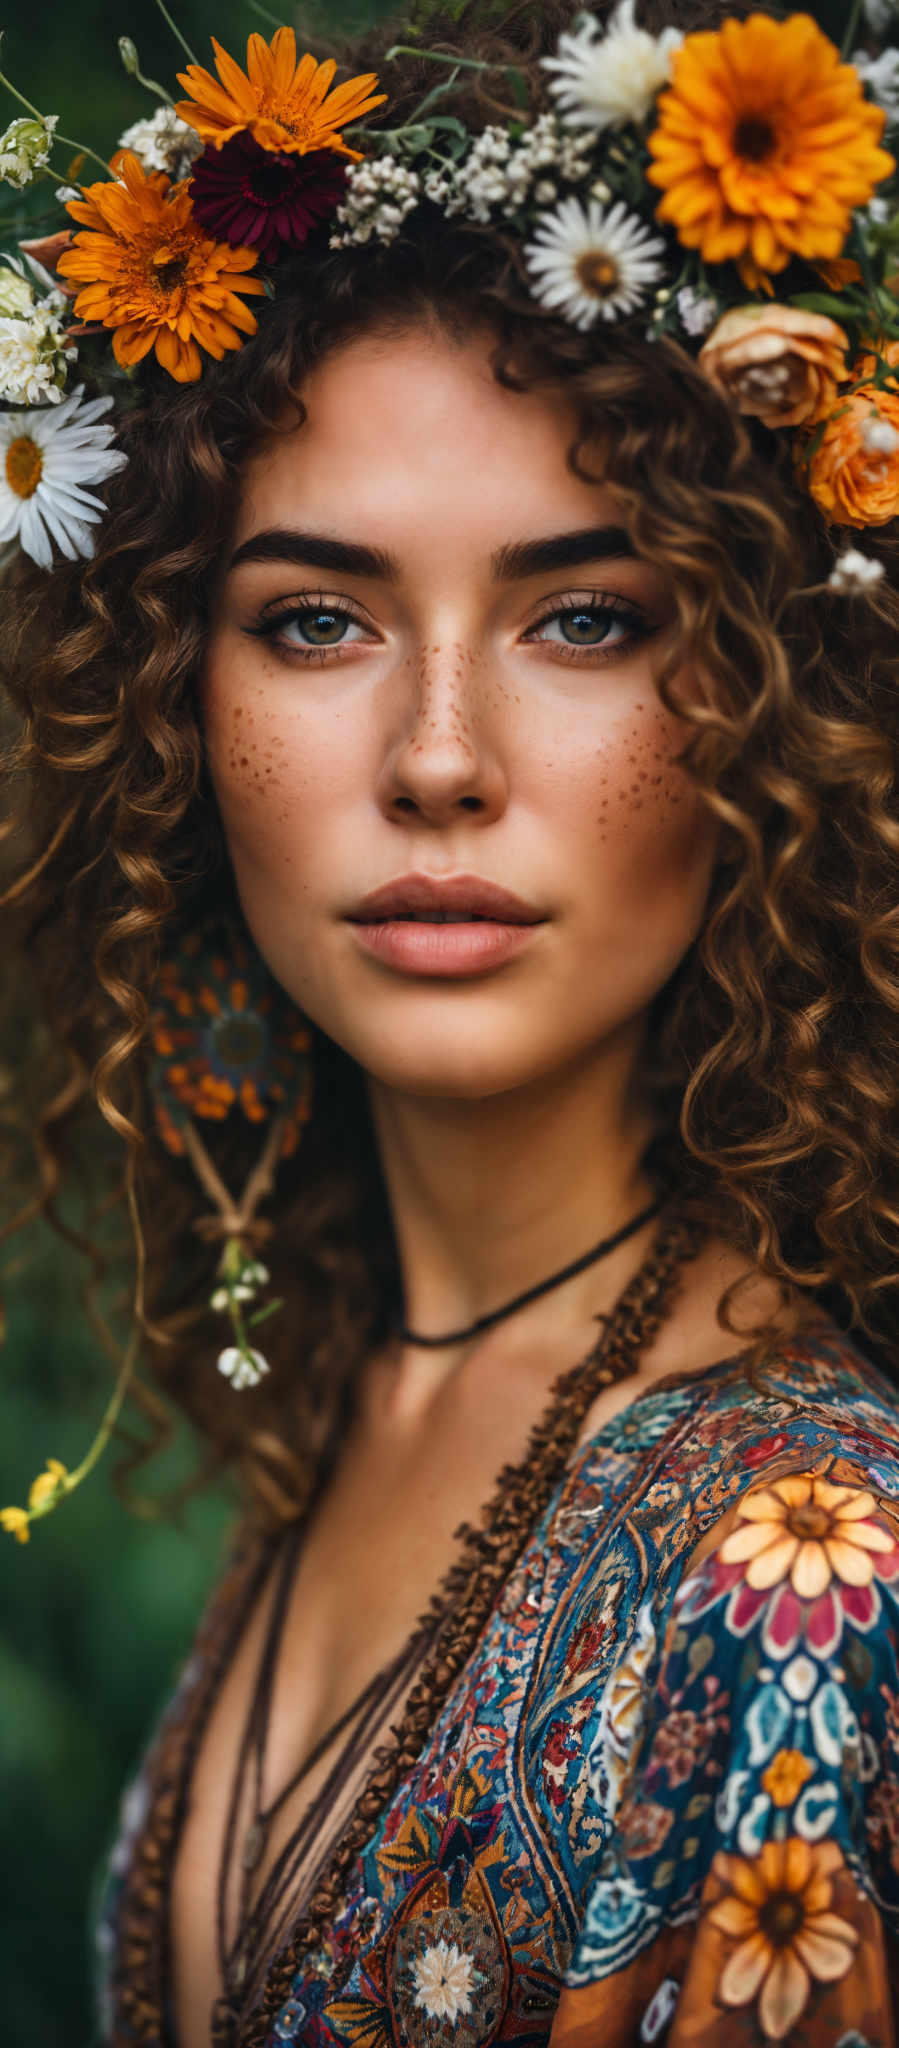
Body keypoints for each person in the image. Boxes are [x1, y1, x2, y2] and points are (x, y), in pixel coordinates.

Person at [2, 0, 899, 2040]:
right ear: (165, 707)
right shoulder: (357, 1393)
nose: (436, 758)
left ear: (766, 701)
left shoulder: (806, 1574)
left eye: (585, 617)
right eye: (315, 618)